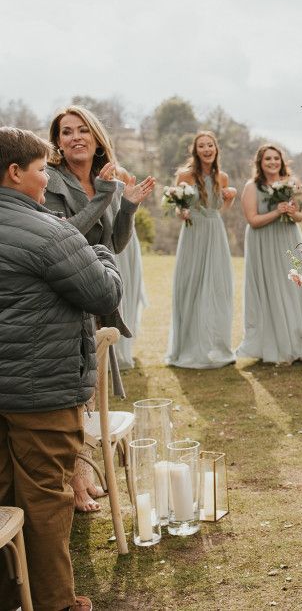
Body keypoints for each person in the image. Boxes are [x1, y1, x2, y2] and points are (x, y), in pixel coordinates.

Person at [0, 126, 123, 611]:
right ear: (15, 173)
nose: (46, 179)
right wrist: (102, 254)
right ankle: (55, 603)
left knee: (2, 498)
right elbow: (103, 293)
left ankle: (11, 595)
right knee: (45, 498)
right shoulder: (48, 232)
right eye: (39, 170)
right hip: (41, 393)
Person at [46, 105, 156, 513]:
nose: (75, 137)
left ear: (96, 139)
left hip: (95, 291)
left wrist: (128, 206)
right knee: (76, 390)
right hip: (66, 293)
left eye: (82, 130)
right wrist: (107, 196)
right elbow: (62, 236)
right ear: (58, 142)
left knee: (91, 388)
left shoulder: (101, 179)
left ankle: (85, 474)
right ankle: (76, 483)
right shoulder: (52, 180)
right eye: (66, 132)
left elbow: (114, 244)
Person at [236, 145, 302, 363]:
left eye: (276, 158)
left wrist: (291, 212)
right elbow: (253, 220)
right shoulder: (251, 187)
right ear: (260, 163)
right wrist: (276, 212)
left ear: (282, 161)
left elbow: (300, 217)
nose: (272, 162)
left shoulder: (293, 183)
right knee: (270, 290)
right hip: (263, 243)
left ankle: (298, 344)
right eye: (267, 159)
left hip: (288, 239)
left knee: (293, 289)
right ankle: (273, 346)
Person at [165, 131, 238, 369]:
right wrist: (182, 212)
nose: (206, 149)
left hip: (215, 232)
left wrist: (230, 198)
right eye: (202, 146)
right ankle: (188, 347)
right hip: (193, 232)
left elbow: (220, 209)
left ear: (216, 149)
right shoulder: (185, 175)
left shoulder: (222, 177)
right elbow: (178, 208)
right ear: (195, 151)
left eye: (210, 145)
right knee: (191, 286)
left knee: (217, 287)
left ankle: (215, 346)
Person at [112, 165, 148, 370]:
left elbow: (128, 205)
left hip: (124, 237)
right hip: (107, 235)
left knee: (126, 287)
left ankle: (123, 346)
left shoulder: (122, 173)